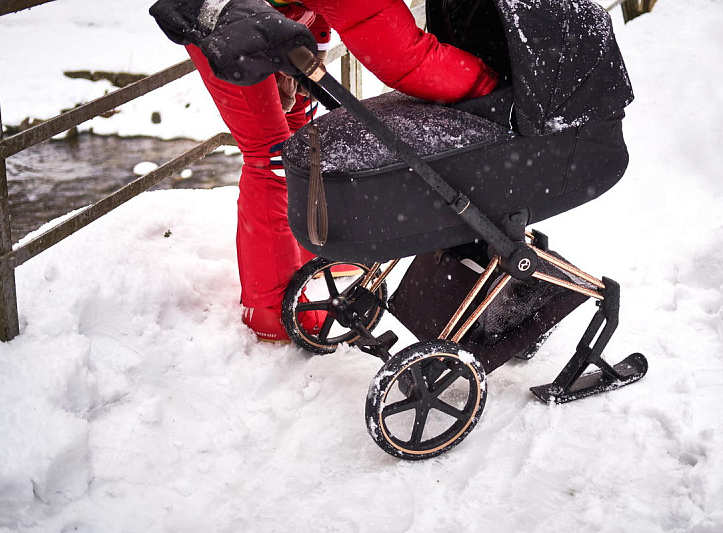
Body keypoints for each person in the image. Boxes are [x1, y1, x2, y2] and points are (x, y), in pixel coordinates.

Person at [149, 0, 498, 342]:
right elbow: (406, 57)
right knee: (269, 154)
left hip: (276, 18)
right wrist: (491, 87)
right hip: (222, 23)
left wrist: (308, 50)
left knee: (300, 135)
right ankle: (267, 308)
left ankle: (304, 248)